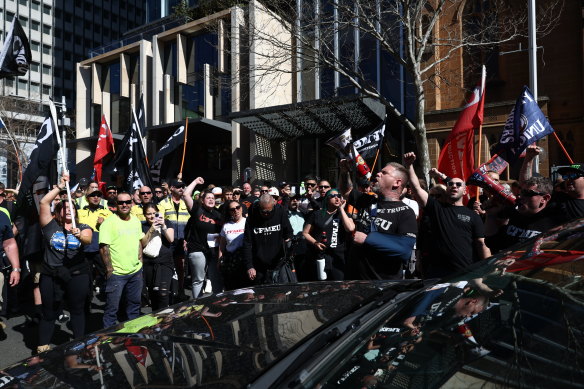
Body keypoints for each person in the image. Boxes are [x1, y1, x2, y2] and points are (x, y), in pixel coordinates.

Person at [404, 152, 490, 279]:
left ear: (465, 190)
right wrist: (409, 166)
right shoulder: (436, 208)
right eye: (451, 184)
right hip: (436, 274)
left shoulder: (473, 215)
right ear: (447, 188)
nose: (454, 186)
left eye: (459, 184)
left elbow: (481, 244)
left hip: (465, 273)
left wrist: (490, 269)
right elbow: (416, 189)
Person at [37, 175, 92, 354]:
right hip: (51, 275)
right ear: (58, 212)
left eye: (72, 208)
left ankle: (79, 344)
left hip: (77, 274)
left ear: (76, 212)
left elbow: (87, 240)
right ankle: (43, 346)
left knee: (77, 309)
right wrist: (60, 187)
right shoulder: (50, 225)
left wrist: (79, 236)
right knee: (49, 312)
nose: (69, 210)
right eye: (65, 208)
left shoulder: (83, 226)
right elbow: (44, 203)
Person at [340, 160, 417, 280]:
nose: (377, 174)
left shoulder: (406, 212)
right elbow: (346, 192)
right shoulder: (368, 201)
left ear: (397, 182)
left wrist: (368, 239)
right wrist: (345, 172)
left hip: (381, 287)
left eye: (384, 173)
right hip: (354, 282)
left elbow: (404, 250)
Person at [99, 192, 144, 328]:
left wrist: (140, 262)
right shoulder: (109, 223)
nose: (124, 205)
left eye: (127, 202)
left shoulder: (136, 220)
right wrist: (109, 269)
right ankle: (108, 339)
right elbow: (103, 248)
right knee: (112, 310)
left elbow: (139, 242)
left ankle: (133, 335)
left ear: (131, 203)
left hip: (135, 272)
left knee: (134, 306)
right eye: (121, 202)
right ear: (116, 205)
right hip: (117, 274)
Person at [486, 176, 563, 253]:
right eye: (521, 192)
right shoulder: (514, 214)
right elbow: (492, 242)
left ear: (545, 198)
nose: (520, 196)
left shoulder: (554, 222)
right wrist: (490, 215)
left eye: (527, 193)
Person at [302, 188, 355, 280]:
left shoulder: (345, 215)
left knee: (338, 285)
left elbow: (350, 228)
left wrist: (341, 210)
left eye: (338, 196)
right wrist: (315, 243)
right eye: (333, 196)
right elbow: (305, 233)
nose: (337, 198)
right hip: (320, 256)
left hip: (338, 258)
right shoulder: (317, 214)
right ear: (326, 199)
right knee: (321, 284)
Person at [183, 183, 223, 298]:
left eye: (212, 198)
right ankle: (197, 308)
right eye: (208, 198)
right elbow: (186, 195)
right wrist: (196, 181)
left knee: (216, 279)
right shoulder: (197, 209)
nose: (211, 200)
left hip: (213, 251)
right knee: (198, 280)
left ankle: (218, 305)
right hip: (197, 250)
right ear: (202, 200)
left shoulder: (218, 215)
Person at [242, 194, 293, 284]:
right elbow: (247, 243)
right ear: (259, 206)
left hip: (278, 262)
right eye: (263, 211)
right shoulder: (252, 217)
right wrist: (249, 266)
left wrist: (288, 239)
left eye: (269, 212)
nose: (266, 214)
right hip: (259, 263)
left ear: (273, 205)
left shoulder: (280, 212)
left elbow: (288, 231)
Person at [77, 186, 113, 298]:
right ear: (87, 198)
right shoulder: (79, 212)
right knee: (86, 276)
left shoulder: (107, 212)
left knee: (106, 273)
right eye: (93, 195)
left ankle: (108, 297)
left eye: (98, 195)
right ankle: (87, 299)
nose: (96, 197)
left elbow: (114, 228)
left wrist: (105, 223)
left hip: (100, 248)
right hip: (84, 248)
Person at [158, 179, 191, 300]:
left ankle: (180, 291)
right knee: (167, 267)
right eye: (178, 187)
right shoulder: (162, 204)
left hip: (182, 241)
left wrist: (187, 239)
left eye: (182, 187)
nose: (181, 189)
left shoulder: (186, 203)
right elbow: (159, 222)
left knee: (181, 267)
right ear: (171, 188)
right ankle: (168, 292)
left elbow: (190, 223)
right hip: (168, 241)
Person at [140, 204, 175, 310]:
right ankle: (157, 319)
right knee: (153, 294)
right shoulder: (143, 226)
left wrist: (163, 226)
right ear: (145, 215)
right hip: (149, 263)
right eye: (148, 214)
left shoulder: (167, 223)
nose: (151, 216)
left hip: (165, 263)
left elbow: (171, 239)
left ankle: (165, 316)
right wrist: (151, 229)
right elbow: (142, 243)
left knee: (163, 293)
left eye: (154, 213)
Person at [218, 200, 246, 290]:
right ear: (229, 212)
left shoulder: (247, 222)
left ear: (241, 209)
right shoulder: (226, 225)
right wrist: (219, 259)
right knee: (231, 288)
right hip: (230, 261)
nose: (235, 210)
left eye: (237, 208)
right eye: (232, 209)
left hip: (244, 260)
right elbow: (222, 245)